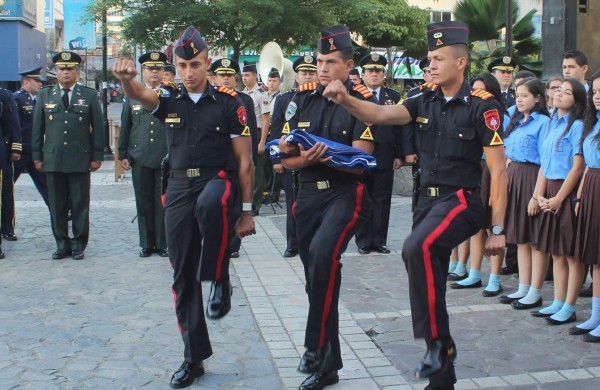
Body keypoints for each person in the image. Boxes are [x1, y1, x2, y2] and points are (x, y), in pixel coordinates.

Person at [324, 21, 508, 389]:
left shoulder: (481, 107)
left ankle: (436, 343)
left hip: (462, 201)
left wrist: (498, 229)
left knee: (416, 247)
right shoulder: (422, 98)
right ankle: (442, 379)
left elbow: (499, 171)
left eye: (439, 59)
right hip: (425, 203)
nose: (431, 65)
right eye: (429, 59)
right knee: (430, 280)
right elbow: (379, 115)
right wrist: (345, 99)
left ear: (461, 61)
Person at [113, 26, 255, 389]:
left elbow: (245, 162)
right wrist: (128, 81)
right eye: (181, 65)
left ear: (208, 63)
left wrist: (248, 211)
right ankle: (194, 358)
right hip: (177, 186)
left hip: (217, 179)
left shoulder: (229, 102)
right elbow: (142, 95)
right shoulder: (170, 97)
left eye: (195, 64)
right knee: (182, 275)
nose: (188, 73)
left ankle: (219, 274)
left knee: (212, 202)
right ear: (173, 66)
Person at [278, 25, 376, 390]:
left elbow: (362, 159)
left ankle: (315, 349)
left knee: (322, 256)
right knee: (316, 279)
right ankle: (329, 364)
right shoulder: (301, 99)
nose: (322, 68)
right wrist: (303, 161)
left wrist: (324, 156)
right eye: (319, 61)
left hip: (343, 195)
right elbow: (282, 158)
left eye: (331, 62)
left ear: (348, 66)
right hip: (306, 196)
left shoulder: (361, 102)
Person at [510, 79, 585, 317]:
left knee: (571, 254)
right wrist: (538, 194)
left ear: (577, 99)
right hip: (549, 189)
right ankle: (558, 301)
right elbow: (545, 163)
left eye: (567, 92)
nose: (559, 94)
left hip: (566, 190)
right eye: (558, 90)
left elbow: (576, 167)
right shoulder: (553, 123)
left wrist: (560, 199)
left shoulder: (577, 126)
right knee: (556, 251)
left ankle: (569, 306)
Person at [32, 51, 104, 261]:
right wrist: (37, 156)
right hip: (53, 159)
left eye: (70, 68)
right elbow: (37, 129)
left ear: (77, 72)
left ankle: (78, 244)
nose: (66, 72)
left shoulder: (88, 95)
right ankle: (61, 243)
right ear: (56, 71)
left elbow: (99, 129)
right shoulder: (45, 95)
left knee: (80, 203)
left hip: (80, 158)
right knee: (57, 204)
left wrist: (97, 156)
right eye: (62, 69)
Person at [450, 73, 506, 296]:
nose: (477, 95)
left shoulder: (500, 115)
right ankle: (473, 272)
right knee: (474, 225)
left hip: (494, 171)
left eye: (483, 90)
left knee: (493, 224)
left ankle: (494, 277)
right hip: (476, 171)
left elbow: (501, 158)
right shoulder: (468, 113)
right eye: (474, 90)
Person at [495, 78, 551, 306]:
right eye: (518, 94)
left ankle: (535, 292)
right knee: (519, 239)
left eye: (525, 95)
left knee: (534, 239)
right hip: (514, 178)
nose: (519, 99)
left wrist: (536, 195)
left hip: (532, 178)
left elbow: (545, 161)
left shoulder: (544, 122)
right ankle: (523, 287)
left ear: (538, 97)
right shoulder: (517, 120)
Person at [118, 51, 169, 258]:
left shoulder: (170, 94)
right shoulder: (132, 96)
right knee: (143, 200)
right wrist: (123, 153)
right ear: (143, 72)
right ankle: (146, 243)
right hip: (140, 155)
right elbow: (126, 125)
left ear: (164, 71)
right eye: (150, 68)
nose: (154, 72)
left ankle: (162, 243)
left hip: (165, 156)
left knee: (163, 201)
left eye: (158, 68)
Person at [354, 53, 404, 255]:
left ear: (384, 74)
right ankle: (363, 240)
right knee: (362, 198)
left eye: (378, 71)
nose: (374, 75)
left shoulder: (393, 97)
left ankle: (379, 240)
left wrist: (400, 154)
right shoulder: (354, 96)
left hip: (385, 155)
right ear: (363, 74)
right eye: (370, 71)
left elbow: (401, 128)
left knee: (382, 199)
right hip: (360, 156)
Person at [210, 58, 259, 260]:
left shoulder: (244, 100)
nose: (226, 79)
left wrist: (252, 159)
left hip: (238, 161)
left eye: (230, 75)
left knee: (236, 203)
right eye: (222, 75)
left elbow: (251, 134)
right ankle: (216, 242)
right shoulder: (209, 99)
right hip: (215, 160)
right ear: (215, 77)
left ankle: (233, 243)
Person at [269, 54, 317, 258]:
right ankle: (292, 243)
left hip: (314, 160)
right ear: (296, 76)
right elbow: (276, 131)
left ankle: (312, 243)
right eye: (303, 73)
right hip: (290, 160)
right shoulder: (284, 99)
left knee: (313, 205)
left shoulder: (322, 98)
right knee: (292, 204)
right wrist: (276, 159)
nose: (307, 76)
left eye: (311, 72)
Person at [570, 70, 600, 341]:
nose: (598, 97)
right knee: (596, 258)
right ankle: (596, 315)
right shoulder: (593, 122)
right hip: (591, 187)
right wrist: (580, 195)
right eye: (595, 92)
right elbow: (587, 166)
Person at [4, 68, 49, 242]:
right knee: (7, 188)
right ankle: (6, 226)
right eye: (36, 81)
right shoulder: (16, 99)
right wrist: (15, 148)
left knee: (45, 183)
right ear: (26, 82)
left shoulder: (36, 100)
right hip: (20, 152)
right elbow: (12, 127)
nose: (40, 84)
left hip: (34, 151)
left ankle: (59, 212)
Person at [242, 61, 270, 216]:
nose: (244, 78)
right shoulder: (242, 94)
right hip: (245, 134)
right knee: (246, 168)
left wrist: (262, 141)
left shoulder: (261, 94)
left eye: (247, 75)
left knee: (257, 171)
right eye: (243, 75)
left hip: (257, 133)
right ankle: (246, 203)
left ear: (254, 75)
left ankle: (256, 205)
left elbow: (266, 119)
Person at [0, 86, 22, 258]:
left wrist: (16, 148)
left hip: (2, 152)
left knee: (4, 192)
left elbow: (13, 122)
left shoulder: (4, 95)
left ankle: (7, 227)